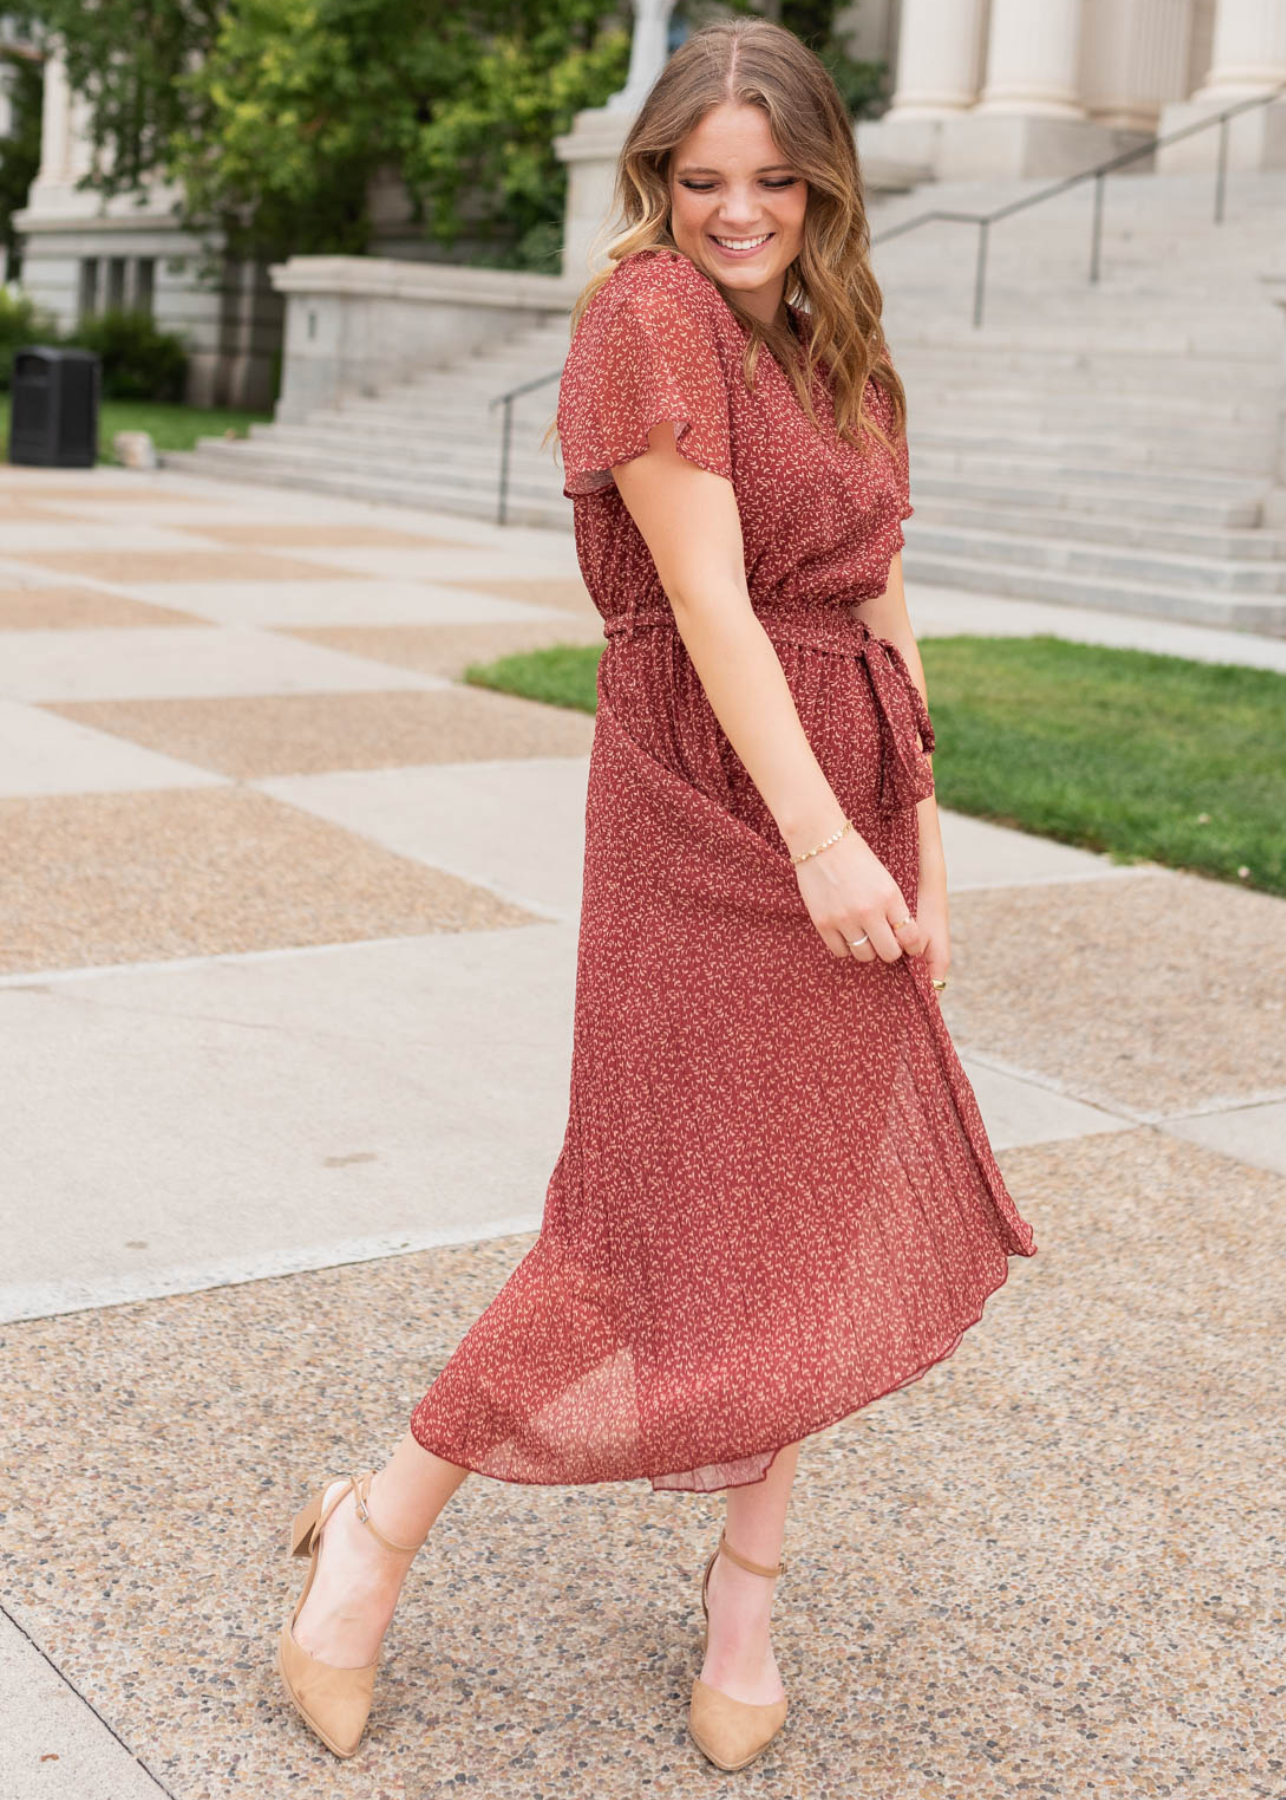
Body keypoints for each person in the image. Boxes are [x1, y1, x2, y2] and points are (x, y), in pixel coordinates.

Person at [275, 15, 1038, 1776]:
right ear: (657, 178)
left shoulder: (842, 335)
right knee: (631, 1220)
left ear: (823, 179)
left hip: (847, 772)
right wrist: (820, 844)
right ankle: (371, 1535)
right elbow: (708, 605)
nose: (737, 212)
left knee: (806, 1215)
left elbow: (887, 607)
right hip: (709, 795)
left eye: (774, 181)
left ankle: (746, 1590)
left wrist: (917, 833)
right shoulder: (645, 319)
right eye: (702, 181)